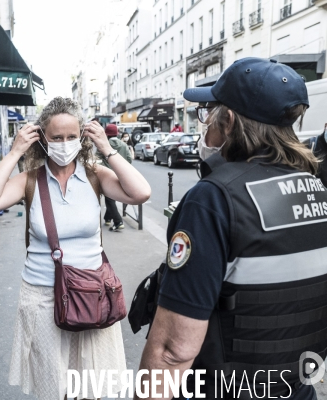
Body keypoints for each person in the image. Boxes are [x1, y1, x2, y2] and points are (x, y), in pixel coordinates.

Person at [135, 58, 326, 399]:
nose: (204, 124)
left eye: (208, 112)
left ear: (229, 120)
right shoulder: (317, 191)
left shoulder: (212, 200)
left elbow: (172, 351)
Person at [0, 97, 151, 400]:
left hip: (91, 292)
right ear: (43, 138)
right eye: (57, 137)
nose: (64, 144)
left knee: (86, 387)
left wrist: (106, 149)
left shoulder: (95, 175)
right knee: (54, 386)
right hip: (42, 297)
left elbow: (141, 192)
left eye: (71, 136)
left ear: (81, 137)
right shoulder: (30, 180)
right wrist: (15, 151)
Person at [98, 124, 132, 232]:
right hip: (122, 175)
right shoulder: (123, 145)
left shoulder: (103, 146)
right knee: (110, 199)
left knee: (109, 199)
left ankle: (118, 222)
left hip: (107, 175)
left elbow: (96, 159)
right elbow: (129, 159)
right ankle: (107, 218)